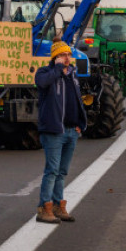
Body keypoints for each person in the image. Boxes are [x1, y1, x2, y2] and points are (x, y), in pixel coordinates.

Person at [34, 39, 87, 224]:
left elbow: (77, 100)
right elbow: (42, 83)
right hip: (54, 131)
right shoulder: (45, 72)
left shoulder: (72, 75)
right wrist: (56, 69)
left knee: (62, 171)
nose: (67, 58)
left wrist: (80, 123)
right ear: (55, 57)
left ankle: (58, 206)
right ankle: (44, 208)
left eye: (68, 55)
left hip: (72, 131)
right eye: (63, 55)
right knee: (52, 171)